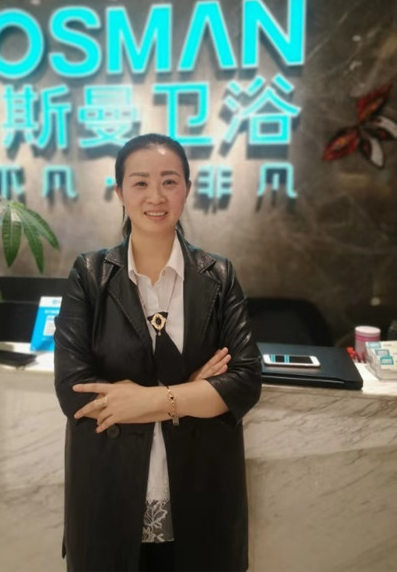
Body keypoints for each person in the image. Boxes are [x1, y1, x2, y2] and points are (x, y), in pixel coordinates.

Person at [54, 133, 262, 572]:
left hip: (201, 494)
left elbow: (244, 381)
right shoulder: (89, 275)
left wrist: (151, 399)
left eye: (169, 181)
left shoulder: (219, 276)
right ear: (119, 192)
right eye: (140, 183)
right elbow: (74, 391)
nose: (155, 196)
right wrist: (192, 392)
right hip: (109, 494)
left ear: (187, 188)